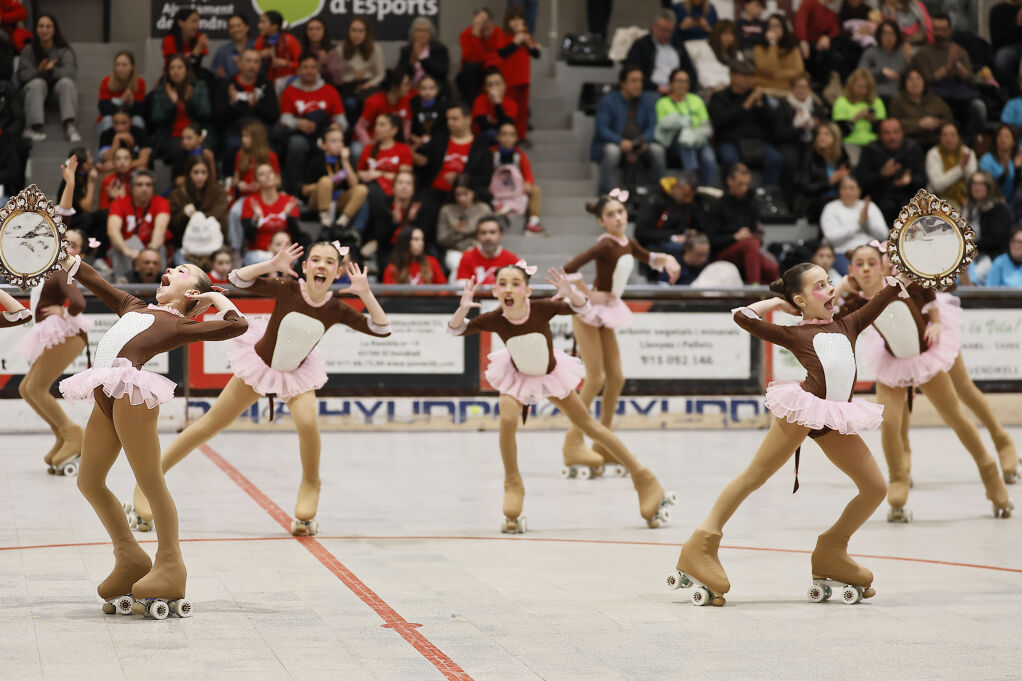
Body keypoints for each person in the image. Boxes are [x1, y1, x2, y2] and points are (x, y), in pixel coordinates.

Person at [55, 155, 248, 617]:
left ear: (193, 294)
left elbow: (235, 326)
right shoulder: (135, 305)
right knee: (89, 479)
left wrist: (215, 297)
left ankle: (170, 563)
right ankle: (130, 555)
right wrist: (70, 260)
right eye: (172, 269)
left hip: (133, 395)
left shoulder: (181, 323)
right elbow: (99, 282)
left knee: (149, 480)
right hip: (105, 394)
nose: (170, 271)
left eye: (181, 272)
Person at [670, 262, 911, 607]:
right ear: (799, 299)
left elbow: (884, 297)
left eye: (829, 283)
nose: (829, 290)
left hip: (834, 416)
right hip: (803, 412)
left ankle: (831, 550)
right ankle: (700, 545)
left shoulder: (849, 323)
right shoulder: (796, 333)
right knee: (755, 476)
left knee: (875, 487)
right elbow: (742, 317)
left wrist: (899, 280)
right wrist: (777, 304)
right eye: (819, 286)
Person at [124, 242, 391, 537]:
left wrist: (366, 294)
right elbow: (238, 279)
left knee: (308, 423)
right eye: (315, 259)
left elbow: (381, 329)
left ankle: (311, 483)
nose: (321, 266)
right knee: (208, 425)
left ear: (338, 272)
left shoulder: (336, 308)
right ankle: (150, 479)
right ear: (305, 267)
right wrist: (271, 264)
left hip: (297, 376)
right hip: (259, 368)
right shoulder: (288, 288)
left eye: (329, 262)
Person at [448, 264, 675, 531]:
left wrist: (571, 293)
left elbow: (582, 309)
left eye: (515, 283)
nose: (508, 288)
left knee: (589, 426)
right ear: (496, 291)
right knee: (508, 420)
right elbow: (456, 330)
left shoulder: (543, 308)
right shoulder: (495, 318)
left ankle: (643, 477)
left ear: (527, 291)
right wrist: (463, 308)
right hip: (517, 378)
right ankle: (512, 482)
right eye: (502, 283)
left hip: (551, 375)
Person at [836, 243, 1014, 522]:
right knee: (890, 422)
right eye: (859, 265)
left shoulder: (901, 282)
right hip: (892, 365)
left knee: (957, 411)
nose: (867, 269)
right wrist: (843, 286)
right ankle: (898, 477)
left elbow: (927, 292)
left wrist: (936, 321)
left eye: (872, 263)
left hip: (928, 353)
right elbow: (828, 318)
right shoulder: (855, 301)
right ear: (850, 271)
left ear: (884, 264)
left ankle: (991, 469)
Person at [560, 194, 681, 475]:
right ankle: (573, 442)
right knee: (596, 378)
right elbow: (569, 269)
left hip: (608, 312)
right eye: (611, 214)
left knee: (616, 378)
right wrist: (589, 294)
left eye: (621, 211)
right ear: (602, 221)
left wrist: (669, 260)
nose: (618, 217)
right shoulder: (605, 244)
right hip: (589, 313)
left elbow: (649, 257)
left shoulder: (627, 242)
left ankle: (604, 443)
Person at [15, 183, 88, 476]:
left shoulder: (61, 270)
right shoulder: (45, 265)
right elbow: (60, 219)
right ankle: (62, 434)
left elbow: (80, 302)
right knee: (26, 388)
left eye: (72, 244)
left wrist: (64, 311)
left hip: (69, 335)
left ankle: (73, 433)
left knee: (35, 387)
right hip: (58, 333)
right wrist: (70, 183)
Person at [415, 103, 495, 236]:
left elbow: (486, 177)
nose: (449, 122)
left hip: (466, 193)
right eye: (448, 119)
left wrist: (460, 179)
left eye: (454, 118)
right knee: (425, 205)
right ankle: (426, 247)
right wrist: (420, 161)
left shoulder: (481, 147)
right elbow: (425, 167)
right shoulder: (438, 141)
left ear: (468, 119)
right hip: (437, 190)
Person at [279, 52, 347, 195]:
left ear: (318, 70)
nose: (309, 71)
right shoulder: (290, 91)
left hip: (324, 135)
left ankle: (334, 192)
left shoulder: (330, 90)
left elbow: (342, 121)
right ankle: (295, 191)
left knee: (335, 143)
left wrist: (336, 127)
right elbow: (284, 119)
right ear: (298, 70)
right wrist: (298, 123)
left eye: (313, 67)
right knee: (297, 144)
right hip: (301, 135)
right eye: (305, 67)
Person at [592, 65, 666, 195]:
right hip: (616, 143)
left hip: (640, 142)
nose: (638, 85)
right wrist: (620, 141)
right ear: (623, 83)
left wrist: (643, 140)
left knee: (658, 150)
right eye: (634, 80)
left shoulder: (648, 101)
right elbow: (602, 128)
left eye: (640, 81)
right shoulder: (608, 101)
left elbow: (653, 126)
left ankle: (659, 194)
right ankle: (608, 195)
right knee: (612, 152)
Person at [708, 60, 782, 187]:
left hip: (756, 141)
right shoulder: (719, 97)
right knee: (730, 160)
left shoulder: (758, 96)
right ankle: (730, 194)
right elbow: (721, 121)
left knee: (775, 159)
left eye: (751, 76)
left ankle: (767, 194)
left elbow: (770, 123)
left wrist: (760, 105)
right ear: (733, 76)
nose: (750, 80)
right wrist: (746, 105)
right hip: (730, 141)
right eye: (745, 76)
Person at [911, 14, 986, 139]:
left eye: (942, 29)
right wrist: (947, 67)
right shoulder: (923, 53)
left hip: (960, 95)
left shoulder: (959, 51)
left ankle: (977, 142)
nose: (938, 33)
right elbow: (926, 81)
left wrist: (963, 73)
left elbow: (972, 80)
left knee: (979, 106)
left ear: (950, 30)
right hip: (933, 97)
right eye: (935, 29)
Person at [705, 164, 779, 284]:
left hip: (748, 250)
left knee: (771, 268)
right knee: (750, 245)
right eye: (740, 184)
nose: (744, 188)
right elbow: (710, 240)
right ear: (729, 181)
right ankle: (753, 291)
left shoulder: (750, 204)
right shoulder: (717, 205)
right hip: (721, 253)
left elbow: (754, 232)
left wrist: (757, 236)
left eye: (747, 184)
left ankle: (766, 299)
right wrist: (734, 237)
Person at [213, 47, 278, 179]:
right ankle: (230, 183)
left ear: (260, 65)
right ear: (239, 63)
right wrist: (232, 104)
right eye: (248, 61)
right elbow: (218, 119)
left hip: (261, 133)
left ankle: (269, 184)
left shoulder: (266, 84)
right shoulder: (227, 85)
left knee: (270, 149)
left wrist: (256, 106)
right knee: (232, 146)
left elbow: (273, 116)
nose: (252, 65)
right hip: (235, 133)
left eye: (256, 62)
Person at [17, 13, 79, 142]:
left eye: (48, 26)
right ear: (36, 29)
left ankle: (70, 126)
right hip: (33, 94)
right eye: (41, 26)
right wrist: (39, 71)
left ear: (54, 30)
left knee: (67, 83)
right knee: (38, 83)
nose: (44, 30)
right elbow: (22, 75)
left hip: (55, 95)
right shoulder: (28, 50)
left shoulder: (64, 50)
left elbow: (70, 72)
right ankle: (32, 128)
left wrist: (51, 71)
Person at [855, 117, 926, 224]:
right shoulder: (871, 150)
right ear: (880, 135)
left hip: (908, 198)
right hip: (880, 200)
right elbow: (861, 182)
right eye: (887, 133)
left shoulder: (912, 148)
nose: (892, 137)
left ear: (902, 133)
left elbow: (923, 180)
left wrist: (910, 180)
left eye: (895, 132)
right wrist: (882, 174)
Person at [301, 125, 366, 239]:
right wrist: (327, 183)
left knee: (362, 189)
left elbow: (355, 185)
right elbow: (304, 190)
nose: (339, 144)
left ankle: (341, 224)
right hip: (318, 201)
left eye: (341, 141)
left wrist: (345, 161)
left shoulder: (345, 161)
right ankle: (325, 223)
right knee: (326, 181)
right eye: (333, 141)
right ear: (324, 145)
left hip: (338, 202)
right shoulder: (316, 161)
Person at [107, 169, 171, 283]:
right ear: (132, 188)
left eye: (148, 185)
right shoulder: (120, 202)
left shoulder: (161, 202)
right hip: (128, 251)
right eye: (139, 184)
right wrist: (128, 251)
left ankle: (161, 286)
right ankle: (123, 286)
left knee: (160, 249)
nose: (144, 188)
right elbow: (113, 232)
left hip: (151, 248)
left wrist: (146, 253)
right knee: (121, 247)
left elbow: (160, 231)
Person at [655, 68, 716, 186]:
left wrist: (695, 135)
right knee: (685, 142)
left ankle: (705, 190)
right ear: (671, 83)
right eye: (679, 81)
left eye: (686, 82)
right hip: (675, 143)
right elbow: (662, 128)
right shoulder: (662, 103)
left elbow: (707, 128)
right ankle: (691, 179)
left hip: (698, 139)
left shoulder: (697, 100)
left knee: (709, 159)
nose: (683, 85)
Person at [150, 54, 213, 164]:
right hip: (172, 136)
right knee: (184, 149)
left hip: (196, 134)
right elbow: (157, 118)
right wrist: (172, 103)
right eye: (172, 68)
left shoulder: (199, 86)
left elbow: (206, 114)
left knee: (204, 151)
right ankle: (179, 179)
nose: (176, 71)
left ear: (187, 70)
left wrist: (191, 100)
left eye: (179, 67)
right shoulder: (162, 90)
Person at [819, 176, 887, 273]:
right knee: (856, 274)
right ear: (839, 191)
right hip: (843, 253)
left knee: (885, 272)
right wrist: (858, 224)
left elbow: (883, 234)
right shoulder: (831, 208)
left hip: (870, 251)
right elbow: (831, 237)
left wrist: (867, 221)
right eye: (844, 188)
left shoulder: (869, 206)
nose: (847, 192)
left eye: (851, 188)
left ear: (859, 191)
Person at [240, 162, 303, 265]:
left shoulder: (289, 201)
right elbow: (248, 236)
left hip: (284, 252)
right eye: (262, 174)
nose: (267, 175)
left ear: (276, 177)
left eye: (270, 172)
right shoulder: (250, 202)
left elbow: (296, 234)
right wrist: (256, 220)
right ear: (257, 182)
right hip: (259, 254)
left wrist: (288, 216)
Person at [169, 156, 229, 262]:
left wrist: (198, 216)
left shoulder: (218, 192)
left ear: (209, 173)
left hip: (214, 246)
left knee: (222, 265)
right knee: (187, 273)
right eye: (196, 172)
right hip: (187, 248)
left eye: (204, 172)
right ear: (188, 173)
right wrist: (184, 214)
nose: (200, 177)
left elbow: (219, 217)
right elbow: (173, 225)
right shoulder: (178, 194)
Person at [634, 173, 710, 257]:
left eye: (691, 196)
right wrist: (672, 237)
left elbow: (689, 226)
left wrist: (689, 232)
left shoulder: (687, 203)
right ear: (676, 187)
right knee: (687, 250)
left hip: (680, 240)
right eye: (685, 195)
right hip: (654, 243)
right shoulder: (654, 198)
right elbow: (641, 232)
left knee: (701, 246)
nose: (688, 200)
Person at [626, 9, 698, 97]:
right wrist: (655, 87)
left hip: (679, 90)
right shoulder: (641, 45)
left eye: (670, 31)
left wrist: (685, 87)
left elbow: (690, 71)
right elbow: (633, 73)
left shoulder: (678, 45)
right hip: (652, 90)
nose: (666, 34)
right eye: (663, 30)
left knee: (697, 100)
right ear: (653, 25)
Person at [326, 16, 384, 123]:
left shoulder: (375, 48)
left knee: (372, 103)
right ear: (348, 32)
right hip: (349, 85)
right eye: (354, 30)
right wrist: (353, 78)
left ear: (366, 33)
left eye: (361, 31)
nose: (357, 34)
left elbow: (380, 74)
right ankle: (351, 132)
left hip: (369, 84)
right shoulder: (340, 49)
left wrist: (369, 84)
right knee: (350, 103)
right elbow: (338, 77)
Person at [496, 4, 539, 141]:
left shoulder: (526, 37)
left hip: (524, 79)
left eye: (520, 19)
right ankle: (507, 138)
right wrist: (515, 42)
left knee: (522, 111)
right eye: (513, 19)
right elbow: (502, 53)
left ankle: (521, 136)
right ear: (507, 21)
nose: (516, 23)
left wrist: (528, 43)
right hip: (509, 80)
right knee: (509, 110)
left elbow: (536, 54)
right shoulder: (504, 35)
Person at [963, 171, 1014, 285]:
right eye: (974, 183)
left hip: (992, 256)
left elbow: (996, 240)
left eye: (981, 184)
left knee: (973, 276)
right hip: (969, 252)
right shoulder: (969, 207)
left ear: (989, 187)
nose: (976, 187)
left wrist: (972, 247)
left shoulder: (999, 209)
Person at [491, 122, 543, 233]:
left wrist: (528, 183)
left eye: (511, 135)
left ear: (516, 138)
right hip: (496, 188)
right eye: (504, 134)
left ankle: (533, 221)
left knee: (535, 190)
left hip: (515, 189)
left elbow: (528, 175)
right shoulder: (491, 153)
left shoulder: (520, 155)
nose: (507, 138)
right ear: (498, 137)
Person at [797, 122, 850, 223]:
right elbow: (805, 187)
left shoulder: (843, 158)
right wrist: (830, 181)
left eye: (826, 134)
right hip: (815, 201)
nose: (821, 137)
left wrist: (845, 179)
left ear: (836, 138)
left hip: (840, 199)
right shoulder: (809, 156)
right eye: (819, 134)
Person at [888, 67, 953, 150]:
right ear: (904, 83)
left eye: (918, 79)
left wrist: (938, 123)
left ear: (924, 82)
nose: (915, 83)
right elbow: (893, 125)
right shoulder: (897, 101)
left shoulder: (936, 100)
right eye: (910, 80)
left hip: (936, 141)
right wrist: (919, 124)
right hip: (909, 144)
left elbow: (949, 120)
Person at [438, 175, 490, 272]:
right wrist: (455, 231)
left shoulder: (483, 209)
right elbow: (441, 240)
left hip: (480, 249)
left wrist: (477, 246)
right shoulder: (447, 210)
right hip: (455, 251)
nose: (462, 198)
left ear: (473, 192)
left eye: (465, 194)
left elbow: (491, 233)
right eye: (458, 194)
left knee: (481, 267)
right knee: (460, 266)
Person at [354, 68, 412, 151]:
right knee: (356, 150)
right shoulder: (375, 102)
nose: (409, 87)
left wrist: (403, 142)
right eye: (406, 84)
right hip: (369, 139)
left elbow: (407, 123)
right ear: (394, 87)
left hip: (392, 141)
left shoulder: (405, 100)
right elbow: (360, 127)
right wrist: (369, 146)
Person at [832, 68, 886, 155]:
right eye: (860, 86)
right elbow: (839, 131)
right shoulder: (841, 102)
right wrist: (855, 118)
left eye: (866, 87)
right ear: (851, 85)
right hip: (850, 142)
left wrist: (873, 120)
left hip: (874, 142)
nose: (863, 91)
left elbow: (883, 130)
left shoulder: (877, 102)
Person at [455, 215, 521, 284]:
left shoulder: (512, 260)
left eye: (492, 232)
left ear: (501, 235)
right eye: (483, 233)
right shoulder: (467, 257)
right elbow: (462, 289)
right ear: (477, 236)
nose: (488, 237)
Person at [925, 123, 976, 208]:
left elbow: (971, 183)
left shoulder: (968, 153)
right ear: (940, 138)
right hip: (938, 199)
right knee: (954, 210)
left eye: (952, 135)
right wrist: (960, 168)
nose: (949, 139)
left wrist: (965, 168)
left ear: (958, 137)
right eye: (944, 135)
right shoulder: (933, 154)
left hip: (966, 197)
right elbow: (938, 186)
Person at [458, 8, 502, 104]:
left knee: (493, 70)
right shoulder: (466, 34)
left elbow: (496, 59)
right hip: (473, 76)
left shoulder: (499, 33)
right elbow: (471, 58)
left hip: (493, 71)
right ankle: (473, 107)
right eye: (478, 22)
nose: (482, 25)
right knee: (470, 67)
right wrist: (476, 34)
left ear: (492, 22)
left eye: (485, 21)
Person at [857, 19, 909, 101]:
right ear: (879, 35)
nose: (889, 37)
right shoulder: (871, 52)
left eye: (892, 33)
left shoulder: (902, 53)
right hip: (875, 95)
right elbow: (860, 74)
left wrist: (908, 59)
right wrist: (881, 72)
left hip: (898, 97)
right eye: (885, 33)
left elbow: (908, 75)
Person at [754, 13, 805, 95]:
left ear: (783, 28)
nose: (773, 29)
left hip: (787, 89)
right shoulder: (760, 48)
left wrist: (775, 74)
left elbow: (798, 71)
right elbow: (770, 68)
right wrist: (773, 44)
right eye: (770, 26)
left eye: (777, 26)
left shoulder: (791, 48)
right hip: (765, 89)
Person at [96, 50, 146, 133]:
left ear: (132, 67)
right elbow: (104, 110)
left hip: (129, 118)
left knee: (138, 120)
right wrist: (121, 100)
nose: (120, 68)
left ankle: (137, 145)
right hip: (109, 118)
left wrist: (131, 103)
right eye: (117, 65)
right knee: (107, 120)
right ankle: (107, 146)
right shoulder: (106, 81)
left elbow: (141, 111)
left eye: (124, 65)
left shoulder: (139, 82)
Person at [254, 10, 301, 93]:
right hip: (269, 82)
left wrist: (285, 63)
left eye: (263, 22)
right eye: (259, 22)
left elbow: (302, 65)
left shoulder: (289, 40)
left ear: (274, 26)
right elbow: (251, 63)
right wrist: (259, 55)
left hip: (291, 81)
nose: (259, 26)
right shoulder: (260, 40)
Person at [398, 17, 450, 89]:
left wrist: (422, 58)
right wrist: (411, 63)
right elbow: (400, 75)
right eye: (418, 31)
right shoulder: (406, 50)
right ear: (413, 33)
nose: (421, 34)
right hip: (411, 88)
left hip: (434, 89)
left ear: (430, 33)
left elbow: (442, 73)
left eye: (425, 31)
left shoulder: (440, 49)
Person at [97, 108, 151, 173]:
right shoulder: (105, 134)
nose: (120, 127)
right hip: (115, 168)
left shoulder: (141, 133)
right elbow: (108, 158)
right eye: (116, 123)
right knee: (108, 165)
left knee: (141, 168)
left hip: (133, 167)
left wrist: (124, 165)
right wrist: (117, 138)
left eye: (124, 123)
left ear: (131, 121)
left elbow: (143, 161)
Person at [472, 67, 518, 144]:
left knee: (509, 138)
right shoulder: (479, 101)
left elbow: (506, 126)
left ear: (504, 85)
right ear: (486, 88)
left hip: (503, 138)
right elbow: (484, 126)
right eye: (490, 85)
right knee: (491, 133)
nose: (494, 88)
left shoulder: (512, 104)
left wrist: (497, 104)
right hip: (481, 138)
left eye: (498, 83)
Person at [979, 124, 1022, 201]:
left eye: (1006, 136)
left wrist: (1017, 169)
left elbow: (1018, 188)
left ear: (1014, 141)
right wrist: (1005, 174)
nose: (1003, 139)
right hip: (992, 200)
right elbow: (986, 186)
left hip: (1016, 201)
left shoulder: (1019, 158)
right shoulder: (987, 160)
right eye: (999, 136)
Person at [990, 0, 1022, 97]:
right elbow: (997, 39)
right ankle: (1010, 95)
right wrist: (1018, 25)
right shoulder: (998, 11)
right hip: (1007, 47)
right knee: (1002, 60)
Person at [162, 8, 209, 73]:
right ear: (180, 23)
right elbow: (177, 68)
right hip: (173, 76)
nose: (196, 26)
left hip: (193, 76)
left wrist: (199, 48)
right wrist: (197, 49)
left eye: (198, 22)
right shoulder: (169, 40)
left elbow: (195, 67)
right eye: (193, 21)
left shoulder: (199, 38)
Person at [211, 13, 254, 80]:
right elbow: (215, 70)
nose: (235, 29)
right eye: (231, 27)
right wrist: (218, 74)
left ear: (247, 27)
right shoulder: (223, 50)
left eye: (238, 26)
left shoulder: (256, 47)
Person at [409, 74, 446, 151]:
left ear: (437, 90)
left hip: (437, 144)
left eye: (431, 88)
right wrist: (415, 138)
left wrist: (433, 139)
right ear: (418, 90)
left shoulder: (443, 107)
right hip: (418, 143)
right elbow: (410, 127)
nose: (427, 92)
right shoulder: (413, 106)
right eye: (423, 88)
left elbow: (444, 130)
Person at [98, 147, 133, 212]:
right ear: (113, 162)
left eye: (126, 158)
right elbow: (102, 209)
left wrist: (121, 198)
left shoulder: (137, 180)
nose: (122, 162)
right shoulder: (108, 180)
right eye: (118, 158)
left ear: (131, 161)